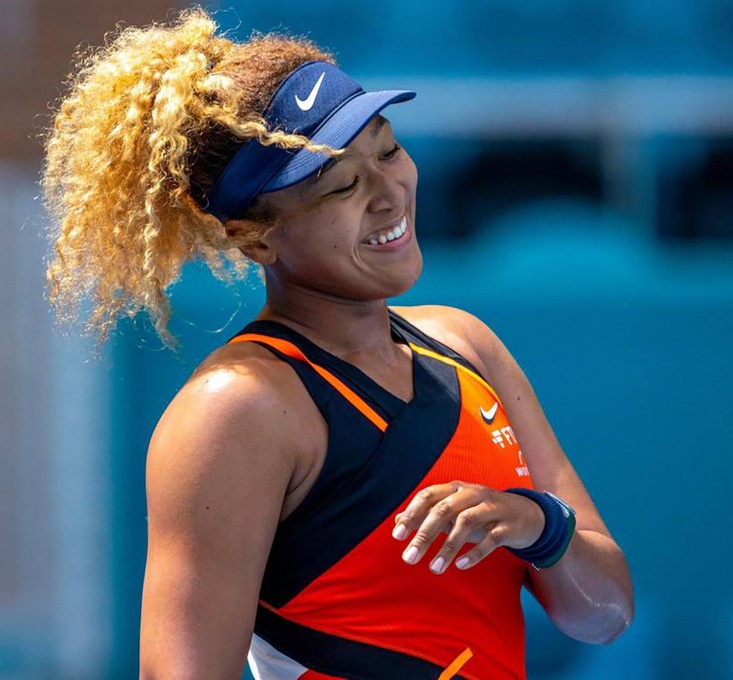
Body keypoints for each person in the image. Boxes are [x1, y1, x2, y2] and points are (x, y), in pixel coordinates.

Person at [41, 8, 634, 679]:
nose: (388, 194)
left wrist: (536, 524)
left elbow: (606, 614)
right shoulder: (236, 410)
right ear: (253, 236)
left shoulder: (467, 346)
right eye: (343, 185)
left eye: (387, 151)